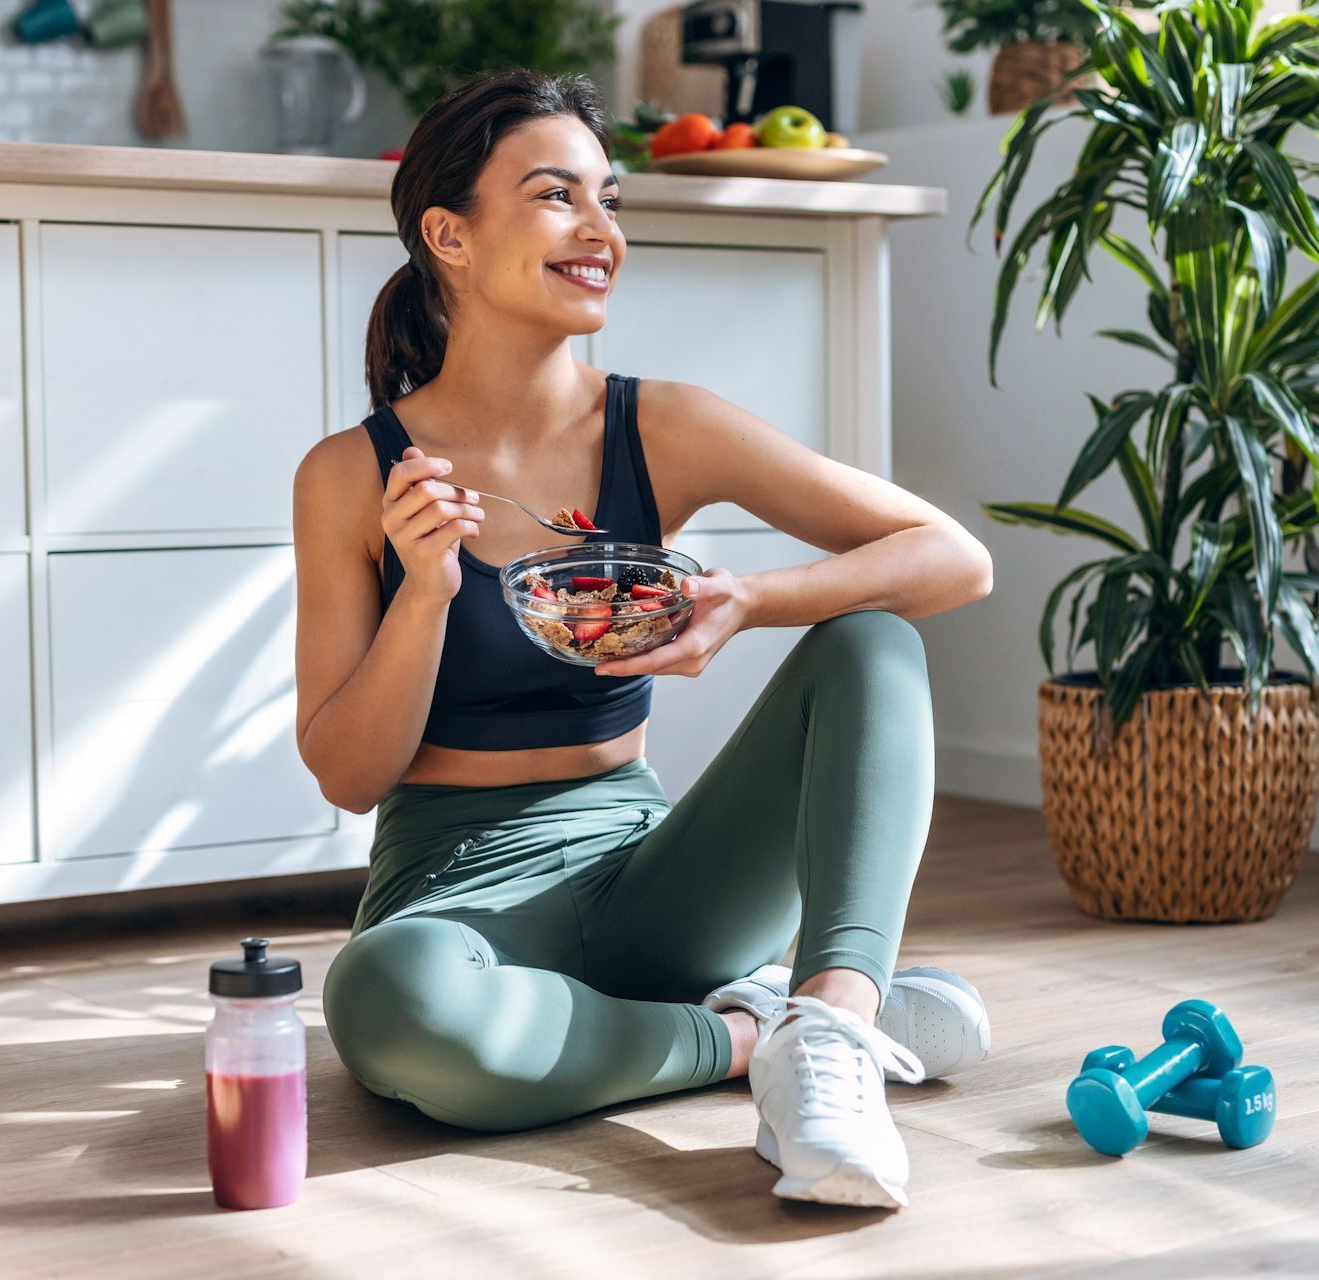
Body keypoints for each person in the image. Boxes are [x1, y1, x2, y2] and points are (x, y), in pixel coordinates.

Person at [293, 68, 995, 1209]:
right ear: (448, 234)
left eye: (609, 199)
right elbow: (348, 771)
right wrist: (422, 590)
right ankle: (745, 1030)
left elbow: (954, 557)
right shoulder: (350, 475)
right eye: (557, 196)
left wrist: (753, 599)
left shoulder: (659, 425)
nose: (602, 231)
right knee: (390, 1001)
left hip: (657, 881)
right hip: (450, 893)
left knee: (871, 639)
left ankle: (834, 1032)